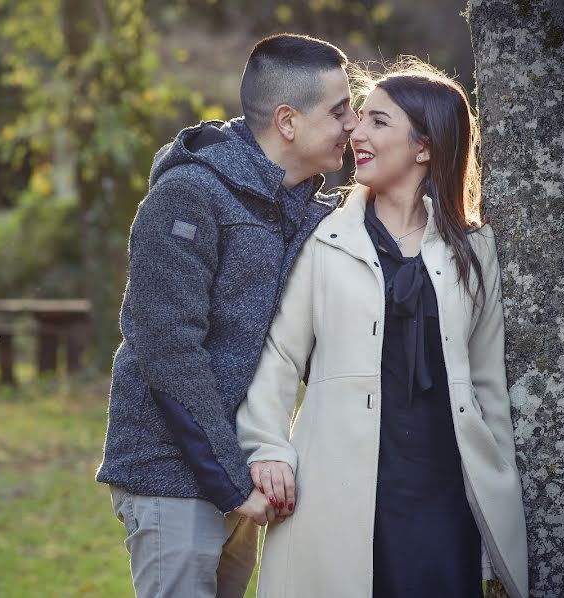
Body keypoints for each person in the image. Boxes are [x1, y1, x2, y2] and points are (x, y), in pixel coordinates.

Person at [236, 59, 529, 598]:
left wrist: (500, 512)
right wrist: (267, 448)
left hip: (446, 493)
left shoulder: (475, 250)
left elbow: (488, 385)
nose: (356, 132)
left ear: (424, 147)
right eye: (358, 118)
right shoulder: (325, 239)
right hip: (338, 487)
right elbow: (278, 355)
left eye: (377, 121)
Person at [95, 34, 358, 597]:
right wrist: (228, 483)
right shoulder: (190, 194)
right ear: (288, 121)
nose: (352, 124)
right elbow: (168, 349)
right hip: (173, 475)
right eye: (340, 110)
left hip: (239, 475)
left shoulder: (302, 208)